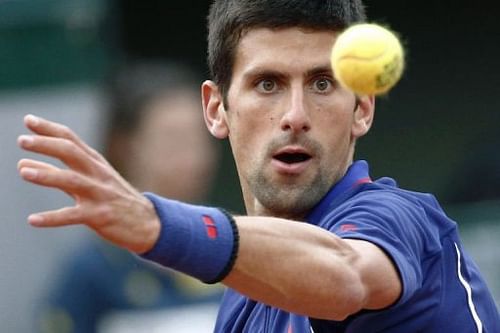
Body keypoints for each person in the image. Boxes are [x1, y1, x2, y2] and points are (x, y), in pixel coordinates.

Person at [18, 0, 499, 332]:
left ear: (363, 108)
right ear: (216, 109)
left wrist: (155, 224)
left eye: (323, 84)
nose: (294, 116)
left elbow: (345, 273)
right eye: (267, 84)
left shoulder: (401, 219)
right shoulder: (244, 304)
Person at [34, 62, 223, 333]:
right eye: (173, 140)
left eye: (199, 138)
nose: (193, 157)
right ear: (126, 146)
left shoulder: (235, 242)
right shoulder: (93, 270)